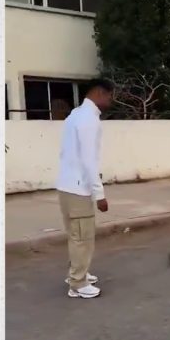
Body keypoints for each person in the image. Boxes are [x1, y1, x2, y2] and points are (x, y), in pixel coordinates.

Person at [54, 79, 114, 299]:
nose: (110, 101)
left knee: (75, 236)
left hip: (66, 186)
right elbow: (89, 161)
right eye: (109, 96)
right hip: (79, 189)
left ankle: (77, 274)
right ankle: (77, 284)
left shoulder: (75, 115)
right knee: (83, 238)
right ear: (99, 93)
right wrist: (99, 194)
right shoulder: (89, 119)